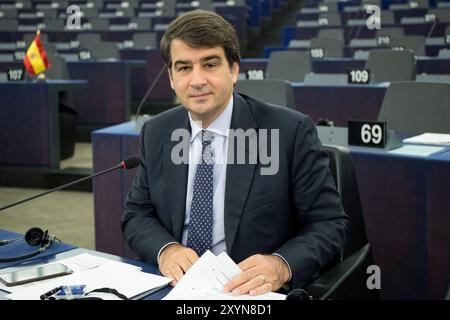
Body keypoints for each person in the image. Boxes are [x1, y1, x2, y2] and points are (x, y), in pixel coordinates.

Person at [122, 9, 349, 296]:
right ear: (171, 77)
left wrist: (281, 265)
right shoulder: (157, 131)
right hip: (177, 289)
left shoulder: (288, 132)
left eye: (210, 64)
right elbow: (136, 213)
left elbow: (330, 223)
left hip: (251, 293)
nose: (197, 80)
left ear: (234, 70)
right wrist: (166, 250)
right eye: (184, 68)